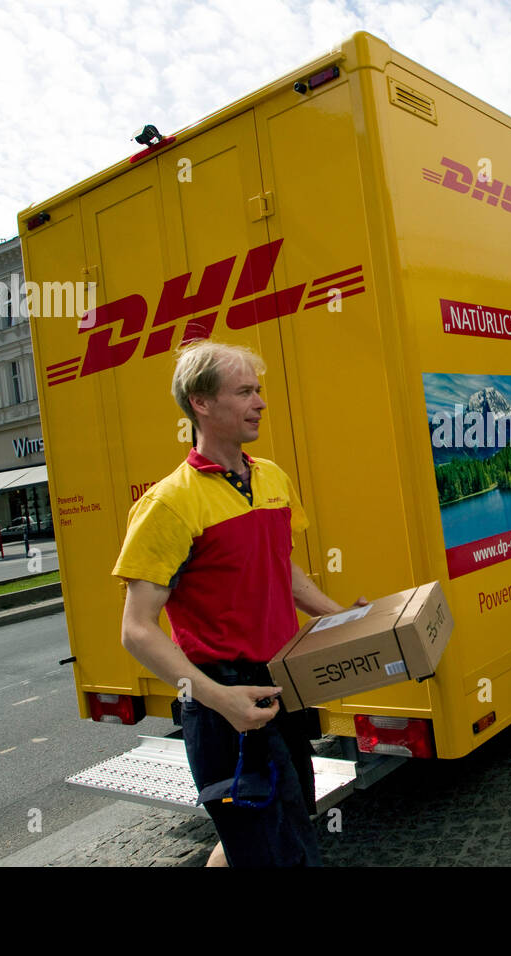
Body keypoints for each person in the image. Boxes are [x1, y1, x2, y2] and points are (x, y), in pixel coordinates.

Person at [113, 340, 366, 866]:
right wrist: (214, 699)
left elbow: (281, 569)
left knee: (272, 832)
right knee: (280, 851)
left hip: (281, 683)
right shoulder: (169, 503)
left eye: (259, 389)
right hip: (224, 698)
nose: (260, 401)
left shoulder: (271, 478)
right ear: (201, 403)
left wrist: (339, 615)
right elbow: (137, 629)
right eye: (245, 391)